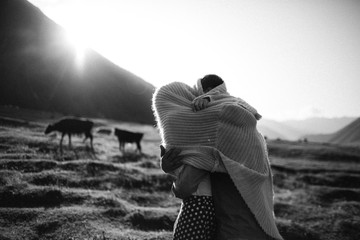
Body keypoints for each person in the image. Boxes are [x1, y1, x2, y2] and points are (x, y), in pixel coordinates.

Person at [153, 74, 283, 240]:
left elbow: (185, 186)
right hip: (251, 212)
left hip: (228, 220)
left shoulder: (214, 129)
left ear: (205, 91)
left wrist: (170, 172)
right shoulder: (242, 115)